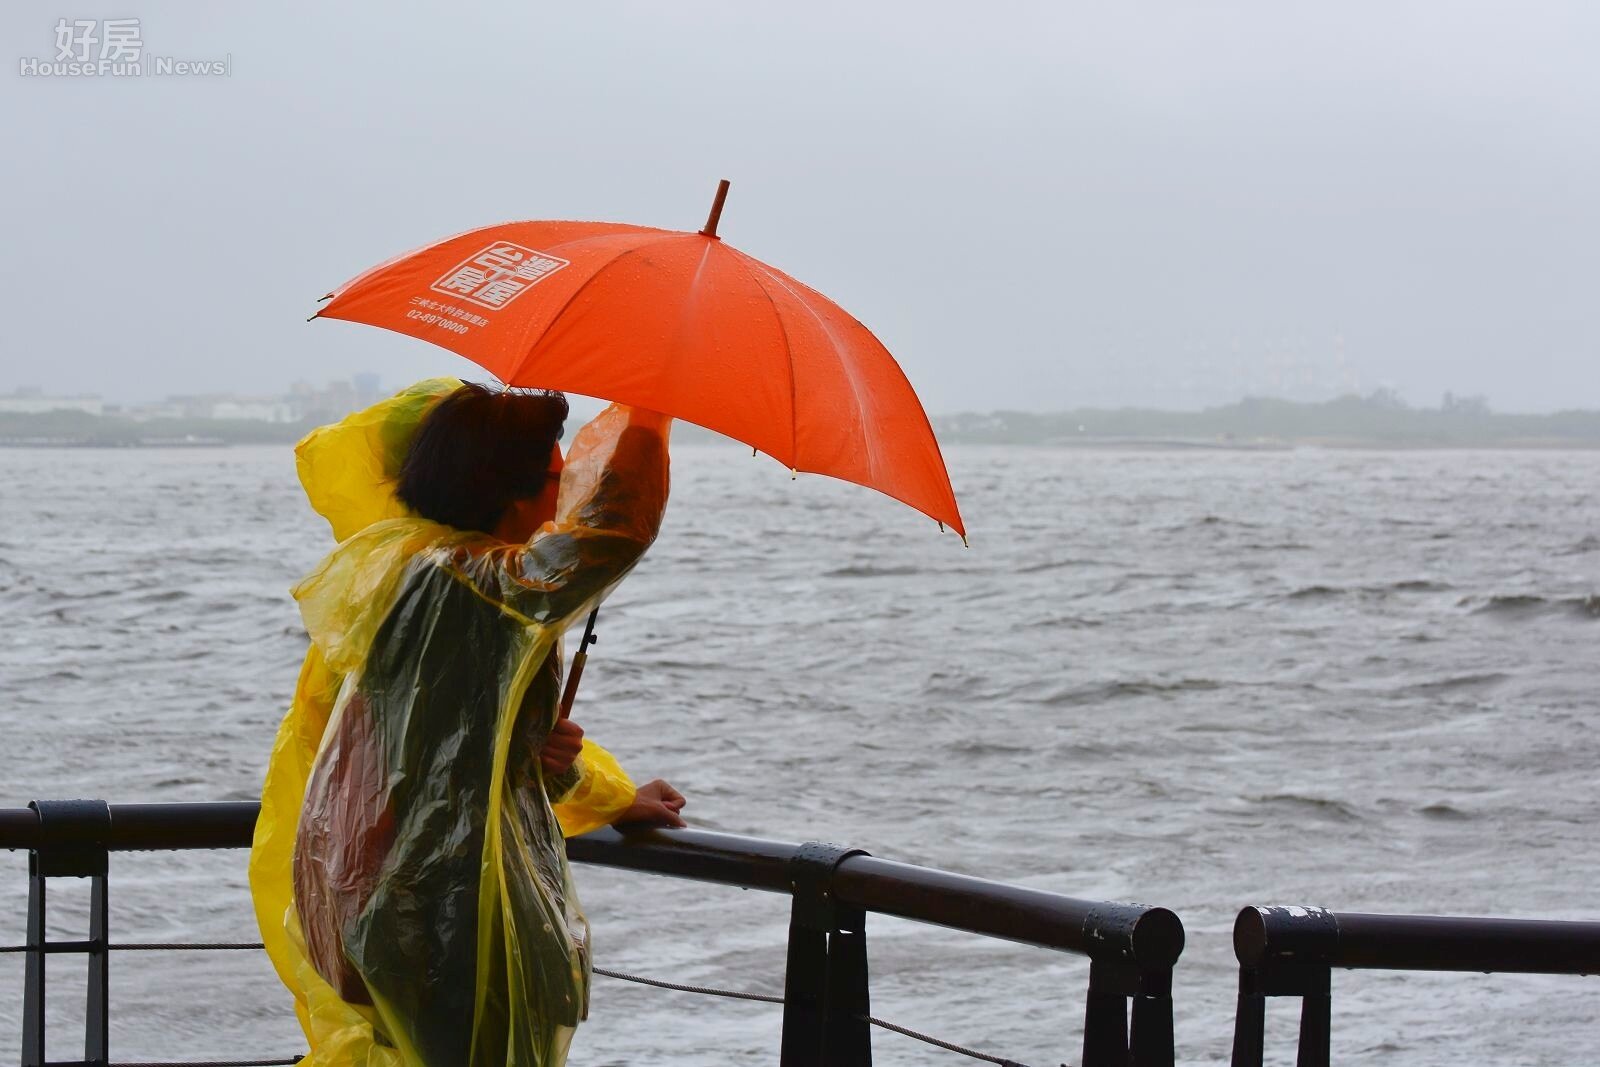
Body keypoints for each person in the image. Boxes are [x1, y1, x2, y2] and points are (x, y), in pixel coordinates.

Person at [248, 379, 684, 1067]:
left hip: (384, 902)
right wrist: (650, 407)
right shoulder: (466, 584)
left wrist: (570, 772)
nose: (564, 494)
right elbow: (608, 535)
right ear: (506, 489)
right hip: (436, 920)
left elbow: (453, 743)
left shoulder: (409, 570)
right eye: (556, 475)